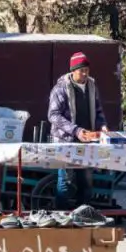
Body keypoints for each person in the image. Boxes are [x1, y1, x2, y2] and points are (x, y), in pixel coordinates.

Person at [47, 52, 109, 208]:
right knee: (66, 182)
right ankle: (61, 216)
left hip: (87, 141)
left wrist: (102, 125)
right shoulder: (60, 88)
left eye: (87, 70)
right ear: (73, 70)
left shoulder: (92, 86)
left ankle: (84, 215)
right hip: (65, 141)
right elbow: (53, 115)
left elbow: (98, 110)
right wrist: (76, 130)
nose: (85, 73)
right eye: (81, 70)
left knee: (86, 181)